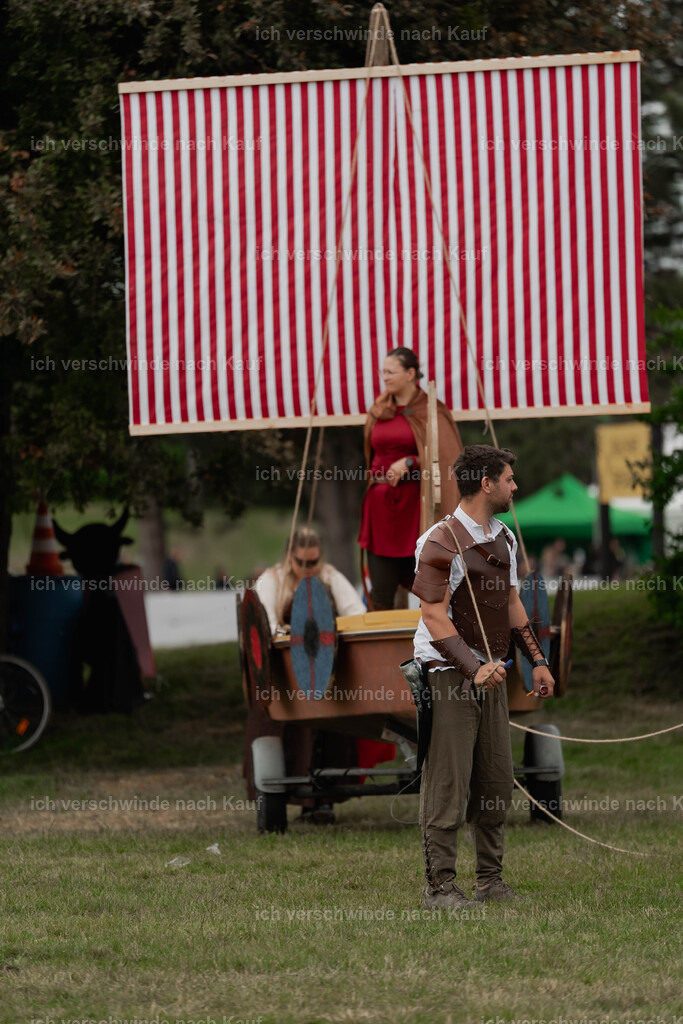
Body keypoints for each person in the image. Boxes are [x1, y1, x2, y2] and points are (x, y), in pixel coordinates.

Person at [411, 444, 555, 910]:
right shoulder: (439, 540)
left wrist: (536, 659)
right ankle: (440, 888)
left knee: (495, 782)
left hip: (492, 672)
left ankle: (489, 881)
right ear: (486, 483)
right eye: (509, 480)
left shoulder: (504, 537)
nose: (515, 487)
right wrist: (474, 669)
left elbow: (512, 603)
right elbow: (433, 616)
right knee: (448, 784)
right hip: (450, 673)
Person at [243, 526, 366, 824]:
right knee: (281, 732)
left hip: (326, 673)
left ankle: (322, 802)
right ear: (290, 557)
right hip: (283, 679)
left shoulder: (330, 577)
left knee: (329, 733)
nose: (308, 568)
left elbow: (356, 616)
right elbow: (265, 626)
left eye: (313, 562)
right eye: (301, 562)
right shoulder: (271, 581)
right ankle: (284, 799)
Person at [359, 347, 463, 610]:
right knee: (381, 594)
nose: (384, 377)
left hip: (418, 512)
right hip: (381, 510)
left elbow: (447, 459)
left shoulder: (431, 411)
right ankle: (385, 651)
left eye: (390, 372)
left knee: (429, 590)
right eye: (382, 371)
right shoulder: (379, 409)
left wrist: (411, 462)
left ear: (410, 374)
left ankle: (429, 647)